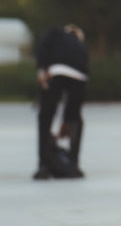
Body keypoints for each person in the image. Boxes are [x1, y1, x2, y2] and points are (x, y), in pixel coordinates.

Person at [33, 24, 88, 179]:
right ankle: (73, 165)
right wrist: (67, 118)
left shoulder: (55, 32)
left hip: (55, 71)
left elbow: (43, 47)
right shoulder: (80, 45)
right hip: (80, 75)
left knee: (45, 116)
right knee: (75, 118)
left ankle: (43, 165)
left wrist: (41, 70)